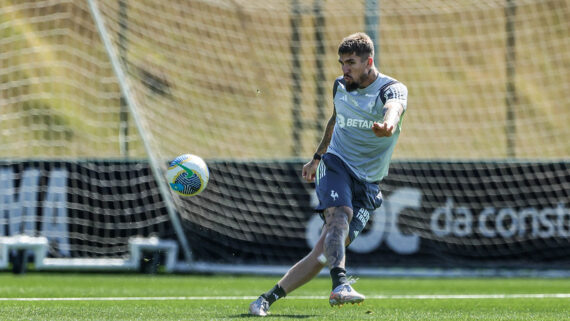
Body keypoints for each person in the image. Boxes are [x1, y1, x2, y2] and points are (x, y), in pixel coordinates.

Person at [249, 32, 408, 316]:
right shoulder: (340, 86)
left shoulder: (391, 89)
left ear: (369, 61)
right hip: (336, 163)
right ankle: (341, 285)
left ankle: (265, 299)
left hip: (368, 183)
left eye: (351, 63)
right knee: (339, 217)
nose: (344, 69)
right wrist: (317, 157)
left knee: (324, 252)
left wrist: (388, 124)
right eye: (341, 63)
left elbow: (394, 108)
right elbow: (335, 119)